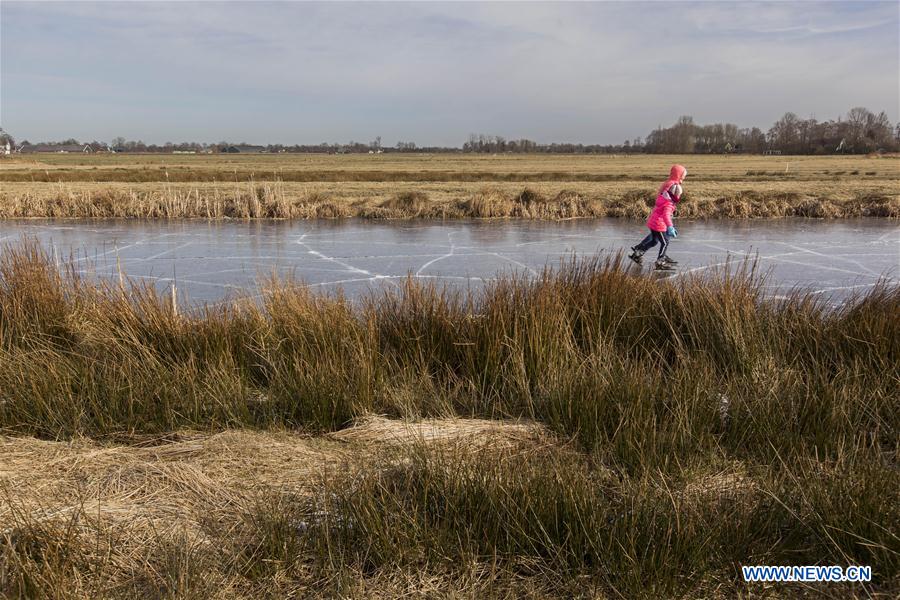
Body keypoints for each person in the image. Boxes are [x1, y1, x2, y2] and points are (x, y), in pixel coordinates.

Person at [628, 164, 686, 270]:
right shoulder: (670, 196)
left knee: (654, 240)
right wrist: (670, 226)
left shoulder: (667, 190)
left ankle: (638, 252)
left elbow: (663, 201)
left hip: (654, 220)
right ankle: (660, 260)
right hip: (659, 223)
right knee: (665, 241)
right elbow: (666, 214)